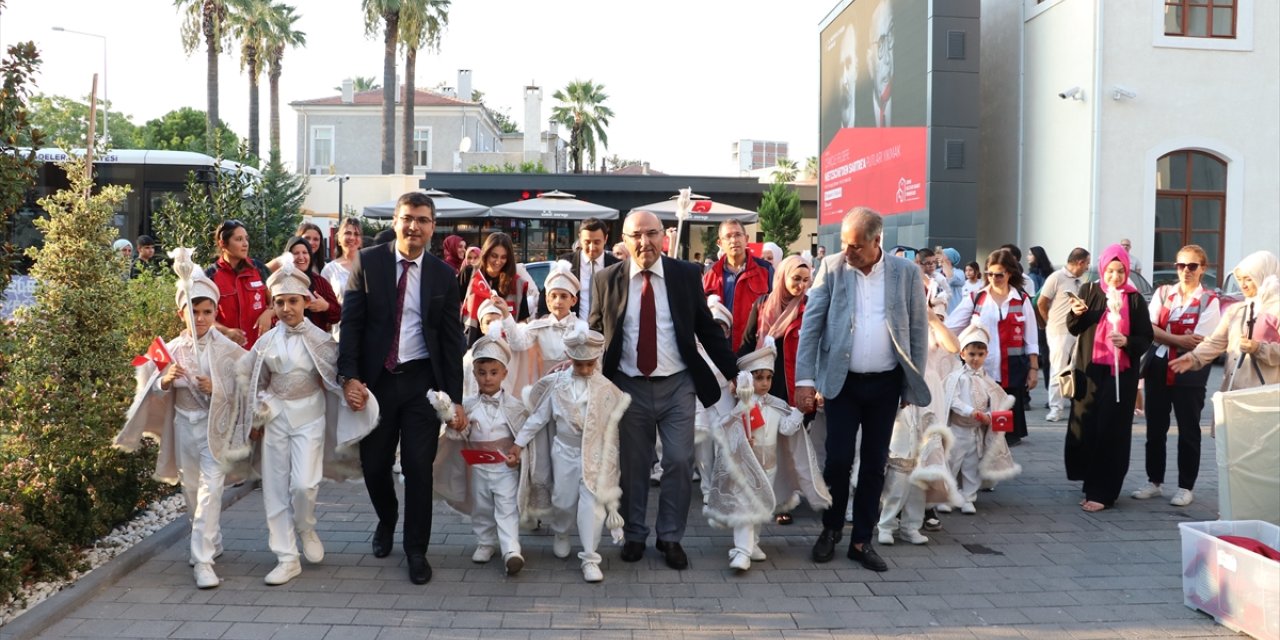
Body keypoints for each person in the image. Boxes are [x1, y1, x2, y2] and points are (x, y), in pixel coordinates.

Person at [588, 210, 738, 571]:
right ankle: (635, 534)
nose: (645, 242)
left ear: (663, 237)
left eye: (652, 233)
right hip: (628, 386)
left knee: (679, 460)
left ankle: (670, 536)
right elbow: (595, 332)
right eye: (636, 235)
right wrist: (580, 366)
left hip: (678, 385)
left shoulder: (686, 275)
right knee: (634, 466)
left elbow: (706, 327)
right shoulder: (607, 279)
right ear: (623, 240)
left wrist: (734, 370)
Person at [337, 191, 468, 585]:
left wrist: (455, 400)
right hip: (376, 384)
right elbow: (353, 324)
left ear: (432, 227)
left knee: (417, 468)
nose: (415, 226)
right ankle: (387, 518)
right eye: (408, 218)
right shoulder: (369, 262)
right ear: (395, 222)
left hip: (420, 384)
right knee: (374, 465)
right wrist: (350, 377)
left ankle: (416, 550)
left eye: (423, 220)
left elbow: (450, 341)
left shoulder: (444, 275)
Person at [794, 207, 930, 573]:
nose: (847, 252)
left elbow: (918, 330)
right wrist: (805, 381)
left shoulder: (905, 273)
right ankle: (831, 528)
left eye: (855, 246)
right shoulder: (833, 268)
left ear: (876, 241)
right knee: (838, 460)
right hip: (842, 383)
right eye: (844, 244)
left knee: (874, 463)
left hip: (886, 385)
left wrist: (910, 383)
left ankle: (861, 539)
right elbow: (811, 327)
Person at [240, 257, 377, 585]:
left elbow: (339, 374)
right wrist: (255, 414)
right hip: (275, 418)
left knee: (304, 484)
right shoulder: (265, 342)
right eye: (280, 302)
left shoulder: (321, 340)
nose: (287, 308)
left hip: (310, 416)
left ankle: (306, 524)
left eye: (293, 301)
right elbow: (249, 379)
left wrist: (355, 390)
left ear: (306, 302)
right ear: (273, 306)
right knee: (274, 488)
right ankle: (286, 556)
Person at [115, 267, 247, 589]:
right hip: (184, 426)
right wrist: (164, 380)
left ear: (216, 312)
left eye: (207, 312)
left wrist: (216, 388)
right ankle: (209, 539)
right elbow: (148, 385)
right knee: (190, 489)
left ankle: (202, 560)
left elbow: (247, 386)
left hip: (213, 429)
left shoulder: (229, 351)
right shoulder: (171, 349)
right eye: (194, 311)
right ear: (181, 313)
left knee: (210, 489)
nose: (200, 318)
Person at [510, 325, 630, 583]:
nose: (585, 370)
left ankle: (590, 557)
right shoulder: (557, 384)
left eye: (589, 364)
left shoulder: (606, 387)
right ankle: (562, 531)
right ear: (570, 359)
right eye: (579, 365)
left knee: (592, 504)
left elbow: (613, 425)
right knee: (563, 500)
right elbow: (538, 417)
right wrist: (519, 443)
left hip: (594, 454)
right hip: (564, 450)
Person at [708, 343, 830, 572]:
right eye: (758, 378)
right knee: (745, 505)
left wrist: (799, 412)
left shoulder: (777, 406)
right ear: (747, 380)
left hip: (770, 466)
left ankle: (752, 544)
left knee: (762, 506)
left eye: (768, 378)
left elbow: (785, 429)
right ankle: (742, 550)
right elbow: (725, 432)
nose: (764, 383)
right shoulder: (740, 408)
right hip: (747, 467)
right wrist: (742, 441)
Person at [1063, 244, 1153, 512]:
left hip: (1120, 375)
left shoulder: (1134, 299)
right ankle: (1091, 484)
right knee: (1087, 427)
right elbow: (1074, 328)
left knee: (1111, 431)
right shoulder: (1089, 291)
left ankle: (1104, 491)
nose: (1115, 277)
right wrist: (1076, 314)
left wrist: (1126, 340)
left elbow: (1145, 337)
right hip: (1089, 371)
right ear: (1102, 269)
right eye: (1111, 271)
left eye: (1121, 271)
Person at [1130, 245, 1222, 508]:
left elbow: (1198, 341)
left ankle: (1185, 486)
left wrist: (1167, 335)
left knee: (1189, 429)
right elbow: (1149, 328)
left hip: (1191, 369)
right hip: (1159, 365)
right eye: (1181, 266)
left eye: (1192, 266)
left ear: (1203, 268)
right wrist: (1177, 338)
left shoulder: (1209, 301)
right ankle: (1154, 481)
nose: (1185, 271)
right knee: (1155, 426)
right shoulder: (1163, 292)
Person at [434, 334, 528, 575]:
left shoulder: (515, 406)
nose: (488, 378)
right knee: (482, 507)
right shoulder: (467, 405)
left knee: (507, 507)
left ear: (504, 373)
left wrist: (517, 453)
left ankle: (511, 550)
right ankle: (486, 542)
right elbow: (461, 434)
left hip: (505, 468)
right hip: (477, 467)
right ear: (474, 374)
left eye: (493, 372)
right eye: (482, 372)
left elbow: (523, 435)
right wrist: (455, 424)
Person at [735, 254, 813, 525]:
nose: (801, 285)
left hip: (793, 386)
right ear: (783, 276)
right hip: (764, 385)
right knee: (765, 445)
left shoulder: (810, 308)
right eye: (795, 279)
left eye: (805, 280)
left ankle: (784, 501)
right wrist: (737, 375)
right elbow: (746, 344)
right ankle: (760, 494)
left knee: (787, 448)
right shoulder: (762, 304)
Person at [946, 249, 1040, 446]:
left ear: (1010, 274)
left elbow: (1031, 338)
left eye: (999, 274)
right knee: (981, 429)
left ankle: (999, 462)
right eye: (990, 274)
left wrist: (1033, 369)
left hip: (1012, 371)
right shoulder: (976, 298)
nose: (994, 278)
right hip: (981, 371)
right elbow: (952, 327)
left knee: (1004, 435)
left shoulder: (1021, 299)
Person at [1171, 250, 1279, 392]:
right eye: (1239, 279)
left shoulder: (1276, 309)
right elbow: (1216, 342)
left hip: (1265, 395)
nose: (1243, 285)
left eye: (1248, 279)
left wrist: (1259, 348)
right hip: (1233, 391)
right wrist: (1194, 358)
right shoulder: (1237, 310)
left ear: (1263, 276)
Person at [941, 323, 1020, 516]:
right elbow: (953, 400)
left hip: (976, 431)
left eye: (980, 354)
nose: (975, 359)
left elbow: (996, 401)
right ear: (962, 354)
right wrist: (970, 411)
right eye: (971, 354)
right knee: (952, 463)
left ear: (985, 355)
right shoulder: (957, 377)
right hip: (957, 429)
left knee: (971, 465)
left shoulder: (988, 380)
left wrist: (990, 416)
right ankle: (947, 496)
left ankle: (968, 497)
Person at [1036, 248, 1091, 422]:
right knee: (1058, 369)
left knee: (1075, 369)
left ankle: (1072, 403)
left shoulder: (1079, 281)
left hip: (1077, 331)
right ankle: (1055, 408)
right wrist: (1048, 322)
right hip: (1059, 331)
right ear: (1080, 262)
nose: (1087, 267)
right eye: (1087, 263)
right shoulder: (1056, 277)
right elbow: (1041, 302)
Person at [703, 219, 774, 350]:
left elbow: (775, 308)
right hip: (718, 348)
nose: (734, 240)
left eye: (738, 235)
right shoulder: (709, 272)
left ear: (746, 238)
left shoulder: (765, 270)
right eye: (728, 236)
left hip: (753, 348)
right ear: (720, 243)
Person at [206, 220, 273, 349]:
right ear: (223, 244)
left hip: (260, 349)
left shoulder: (259, 269)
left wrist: (269, 313)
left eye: (246, 239)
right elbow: (201, 317)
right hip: (226, 351)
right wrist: (225, 331)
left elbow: (277, 301)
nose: (245, 244)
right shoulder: (210, 276)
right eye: (238, 239)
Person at [539, 218, 618, 320]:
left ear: (605, 239)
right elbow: (547, 293)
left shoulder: (615, 266)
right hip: (571, 330)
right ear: (580, 239)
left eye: (597, 242)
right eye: (587, 242)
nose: (592, 247)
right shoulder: (566, 263)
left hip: (604, 332)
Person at [460, 232, 531, 344]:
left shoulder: (517, 283)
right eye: (494, 256)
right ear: (486, 253)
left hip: (504, 350)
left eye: (503, 257)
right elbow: (453, 308)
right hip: (470, 345)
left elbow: (522, 323)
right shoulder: (469, 274)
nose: (498, 261)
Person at [283, 236, 341, 333]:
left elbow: (337, 315)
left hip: (316, 342)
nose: (301, 257)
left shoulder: (320, 282)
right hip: (287, 341)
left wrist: (325, 306)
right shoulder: (280, 281)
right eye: (296, 253)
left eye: (305, 253)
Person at [865, 0, 894, 127]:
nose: (888, 59)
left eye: (891, 36)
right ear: (869, 61)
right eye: (881, 44)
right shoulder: (859, 123)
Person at [322, 218, 363, 298]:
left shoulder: (370, 266)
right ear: (339, 239)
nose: (352, 237)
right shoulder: (329, 269)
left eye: (356, 234)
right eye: (347, 233)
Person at [939, 248, 964, 313]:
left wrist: (944, 263)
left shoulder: (959, 273)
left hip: (952, 310)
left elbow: (951, 278)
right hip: (939, 311)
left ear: (949, 259)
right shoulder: (937, 272)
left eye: (942, 255)